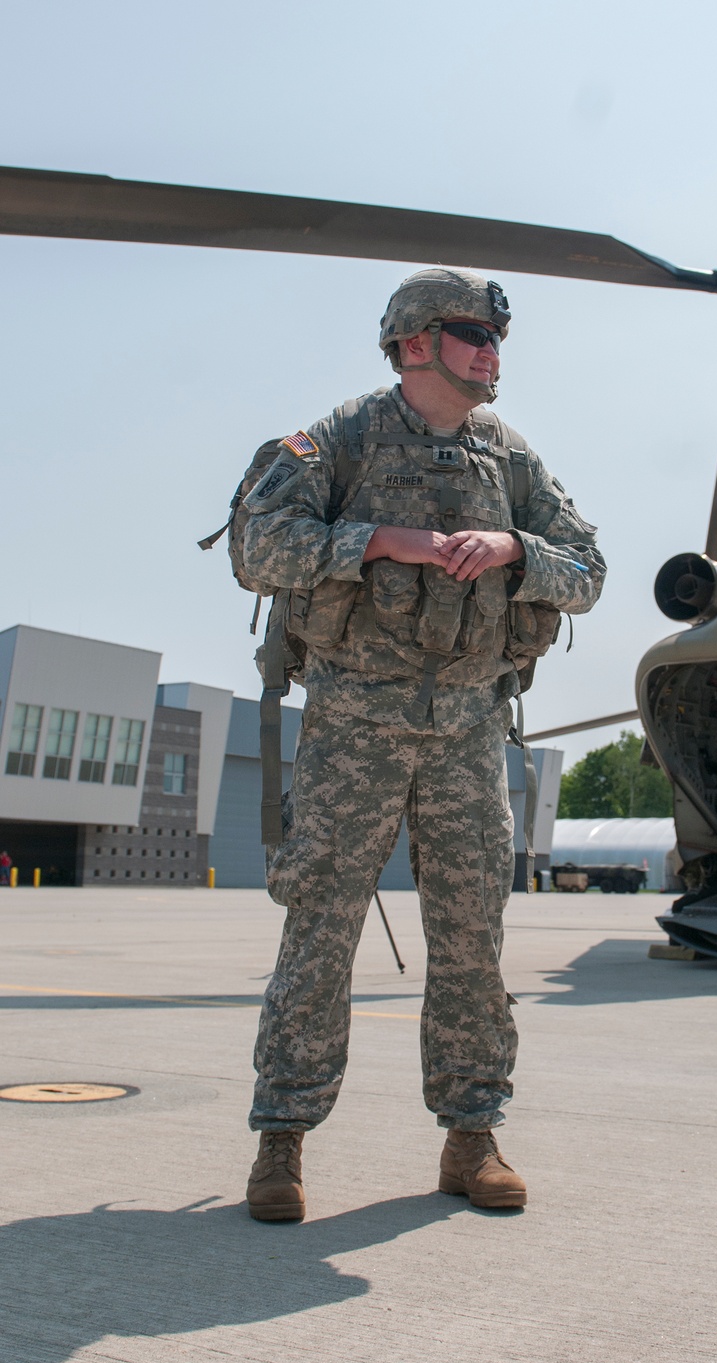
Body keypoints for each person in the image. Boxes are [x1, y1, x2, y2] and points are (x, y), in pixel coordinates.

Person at [240, 268, 605, 1221]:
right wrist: (378, 540)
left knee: (472, 940)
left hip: (467, 733)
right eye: (468, 332)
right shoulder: (338, 438)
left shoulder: (510, 460)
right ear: (411, 344)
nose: (490, 351)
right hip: (354, 725)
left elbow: (589, 571)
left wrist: (515, 551)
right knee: (320, 930)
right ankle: (281, 1141)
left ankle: (472, 1136)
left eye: (495, 337)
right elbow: (256, 547)